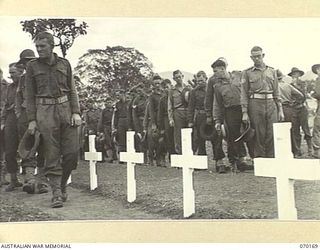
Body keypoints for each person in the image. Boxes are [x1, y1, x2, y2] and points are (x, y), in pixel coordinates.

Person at [25, 32, 81, 208]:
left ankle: (63, 184)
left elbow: (72, 89)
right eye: (37, 47)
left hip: (65, 109)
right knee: (52, 153)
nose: (39, 50)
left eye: (42, 46)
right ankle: (56, 192)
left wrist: (76, 112)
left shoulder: (64, 63)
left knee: (72, 154)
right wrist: (32, 120)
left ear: (52, 46)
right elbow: (29, 95)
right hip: (44, 111)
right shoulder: (32, 67)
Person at [240, 46, 284, 159]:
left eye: (259, 56)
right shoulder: (247, 73)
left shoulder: (272, 71)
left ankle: (271, 159)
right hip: (255, 103)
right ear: (251, 57)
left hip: (270, 103)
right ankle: (260, 161)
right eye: (254, 57)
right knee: (258, 133)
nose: (257, 59)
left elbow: (276, 91)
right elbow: (244, 93)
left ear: (263, 55)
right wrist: (244, 112)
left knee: (271, 132)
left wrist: (280, 110)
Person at [16, 49, 49, 194]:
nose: (27, 64)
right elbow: (18, 97)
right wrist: (19, 113)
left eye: (29, 61)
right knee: (27, 148)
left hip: (43, 114)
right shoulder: (22, 79)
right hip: (25, 115)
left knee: (43, 147)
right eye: (24, 62)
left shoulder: (42, 75)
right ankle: (29, 180)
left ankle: (41, 182)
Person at [211, 60, 249, 172]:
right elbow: (217, 104)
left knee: (248, 134)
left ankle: (244, 160)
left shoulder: (239, 76)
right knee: (233, 137)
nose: (214, 74)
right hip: (230, 112)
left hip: (244, 108)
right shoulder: (217, 86)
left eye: (215, 71)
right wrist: (217, 120)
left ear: (223, 69)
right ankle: (234, 161)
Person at [1, 63, 24, 191]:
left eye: (13, 73)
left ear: (21, 73)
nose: (10, 75)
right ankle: (14, 180)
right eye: (9, 73)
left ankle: (30, 180)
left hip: (24, 118)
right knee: (9, 151)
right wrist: (3, 122)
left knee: (26, 149)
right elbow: (5, 106)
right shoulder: (9, 88)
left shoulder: (27, 86)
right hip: (11, 119)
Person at [204, 58, 228, 172]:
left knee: (232, 135)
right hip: (216, 112)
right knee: (217, 137)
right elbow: (208, 98)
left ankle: (237, 160)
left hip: (229, 111)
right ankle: (220, 162)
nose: (214, 73)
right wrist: (209, 114)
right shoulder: (212, 80)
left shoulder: (230, 78)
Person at [277, 69, 305, 157]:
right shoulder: (287, 86)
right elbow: (300, 95)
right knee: (292, 130)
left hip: (277, 109)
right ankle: (295, 151)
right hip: (289, 108)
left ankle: (282, 151)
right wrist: (294, 102)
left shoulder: (273, 87)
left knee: (279, 130)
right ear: (282, 77)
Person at [288, 67, 312, 157]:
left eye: (296, 74)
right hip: (294, 109)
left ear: (299, 74)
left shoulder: (303, 84)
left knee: (306, 128)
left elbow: (303, 95)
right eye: (293, 74)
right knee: (295, 130)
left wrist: (296, 86)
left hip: (302, 108)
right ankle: (297, 150)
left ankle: (310, 149)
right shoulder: (290, 85)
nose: (295, 75)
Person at [168, 70, 190, 154]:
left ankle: (189, 154)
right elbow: (169, 105)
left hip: (187, 112)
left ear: (182, 76)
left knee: (189, 133)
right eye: (176, 77)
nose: (178, 79)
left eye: (179, 77)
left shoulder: (188, 88)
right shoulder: (172, 90)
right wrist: (171, 119)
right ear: (174, 79)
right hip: (177, 113)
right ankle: (180, 154)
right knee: (178, 135)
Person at [157, 79, 175, 164]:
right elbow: (160, 115)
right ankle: (172, 159)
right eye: (164, 88)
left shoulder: (175, 96)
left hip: (176, 117)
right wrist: (161, 128)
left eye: (167, 87)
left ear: (171, 86)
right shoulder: (162, 99)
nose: (166, 89)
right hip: (166, 119)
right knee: (169, 140)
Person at [97, 97, 116, 163]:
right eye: (107, 102)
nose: (109, 103)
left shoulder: (115, 110)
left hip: (114, 127)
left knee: (114, 142)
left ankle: (115, 157)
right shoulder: (104, 111)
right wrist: (100, 131)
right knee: (108, 143)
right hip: (106, 127)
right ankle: (110, 157)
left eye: (110, 102)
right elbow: (101, 121)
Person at [0, 67, 9, 186]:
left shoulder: (6, 87)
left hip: (3, 119)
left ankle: (2, 177)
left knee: (3, 148)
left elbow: (5, 104)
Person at [310, 64, 320, 158]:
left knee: (317, 128)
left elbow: (318, 94)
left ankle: (317, 152)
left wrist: (313, 95)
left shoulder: (318, 80)